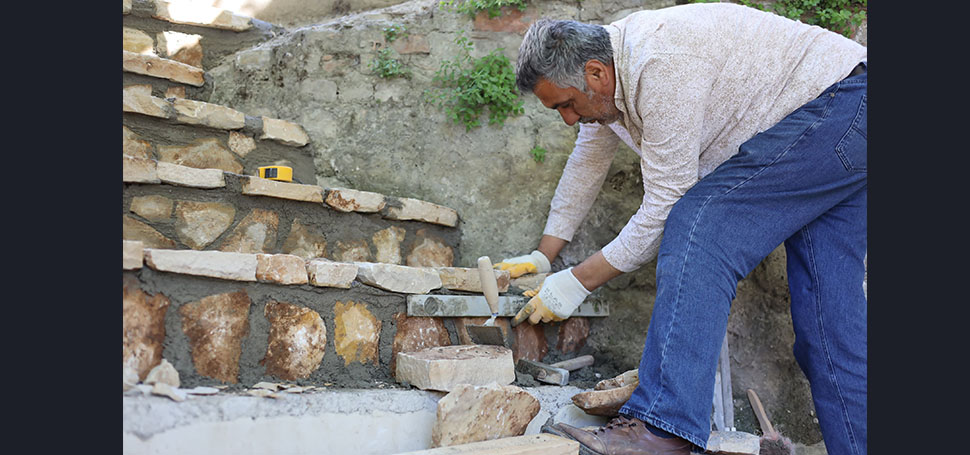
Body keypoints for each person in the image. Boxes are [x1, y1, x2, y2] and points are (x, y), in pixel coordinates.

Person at [498, 2, 867, 454]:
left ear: (595, 75)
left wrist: (576, 283)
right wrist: (544, 255)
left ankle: (665, 428)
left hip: (841, 106)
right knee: (829, 328)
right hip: (853, 115)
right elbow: (586, 162)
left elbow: (666, 204)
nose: (568, 119)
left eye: (567, 105)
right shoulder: (606, 73)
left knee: (699, 226)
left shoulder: (660, 62)